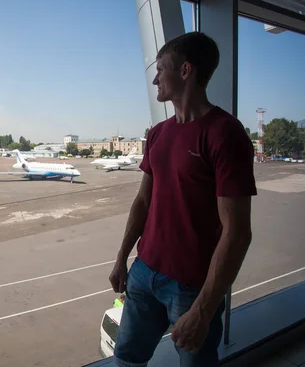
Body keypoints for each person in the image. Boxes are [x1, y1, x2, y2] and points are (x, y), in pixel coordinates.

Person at [109, 32, 256, 367]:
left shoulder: (225, 134)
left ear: (186, 70)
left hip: (191, 287)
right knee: (126, 359)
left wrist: (203, 311)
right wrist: (122, 258)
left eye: (161, 69)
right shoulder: (158, 133)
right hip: (144, 272)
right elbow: (143, 202)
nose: (155, 78)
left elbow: (237, 232)